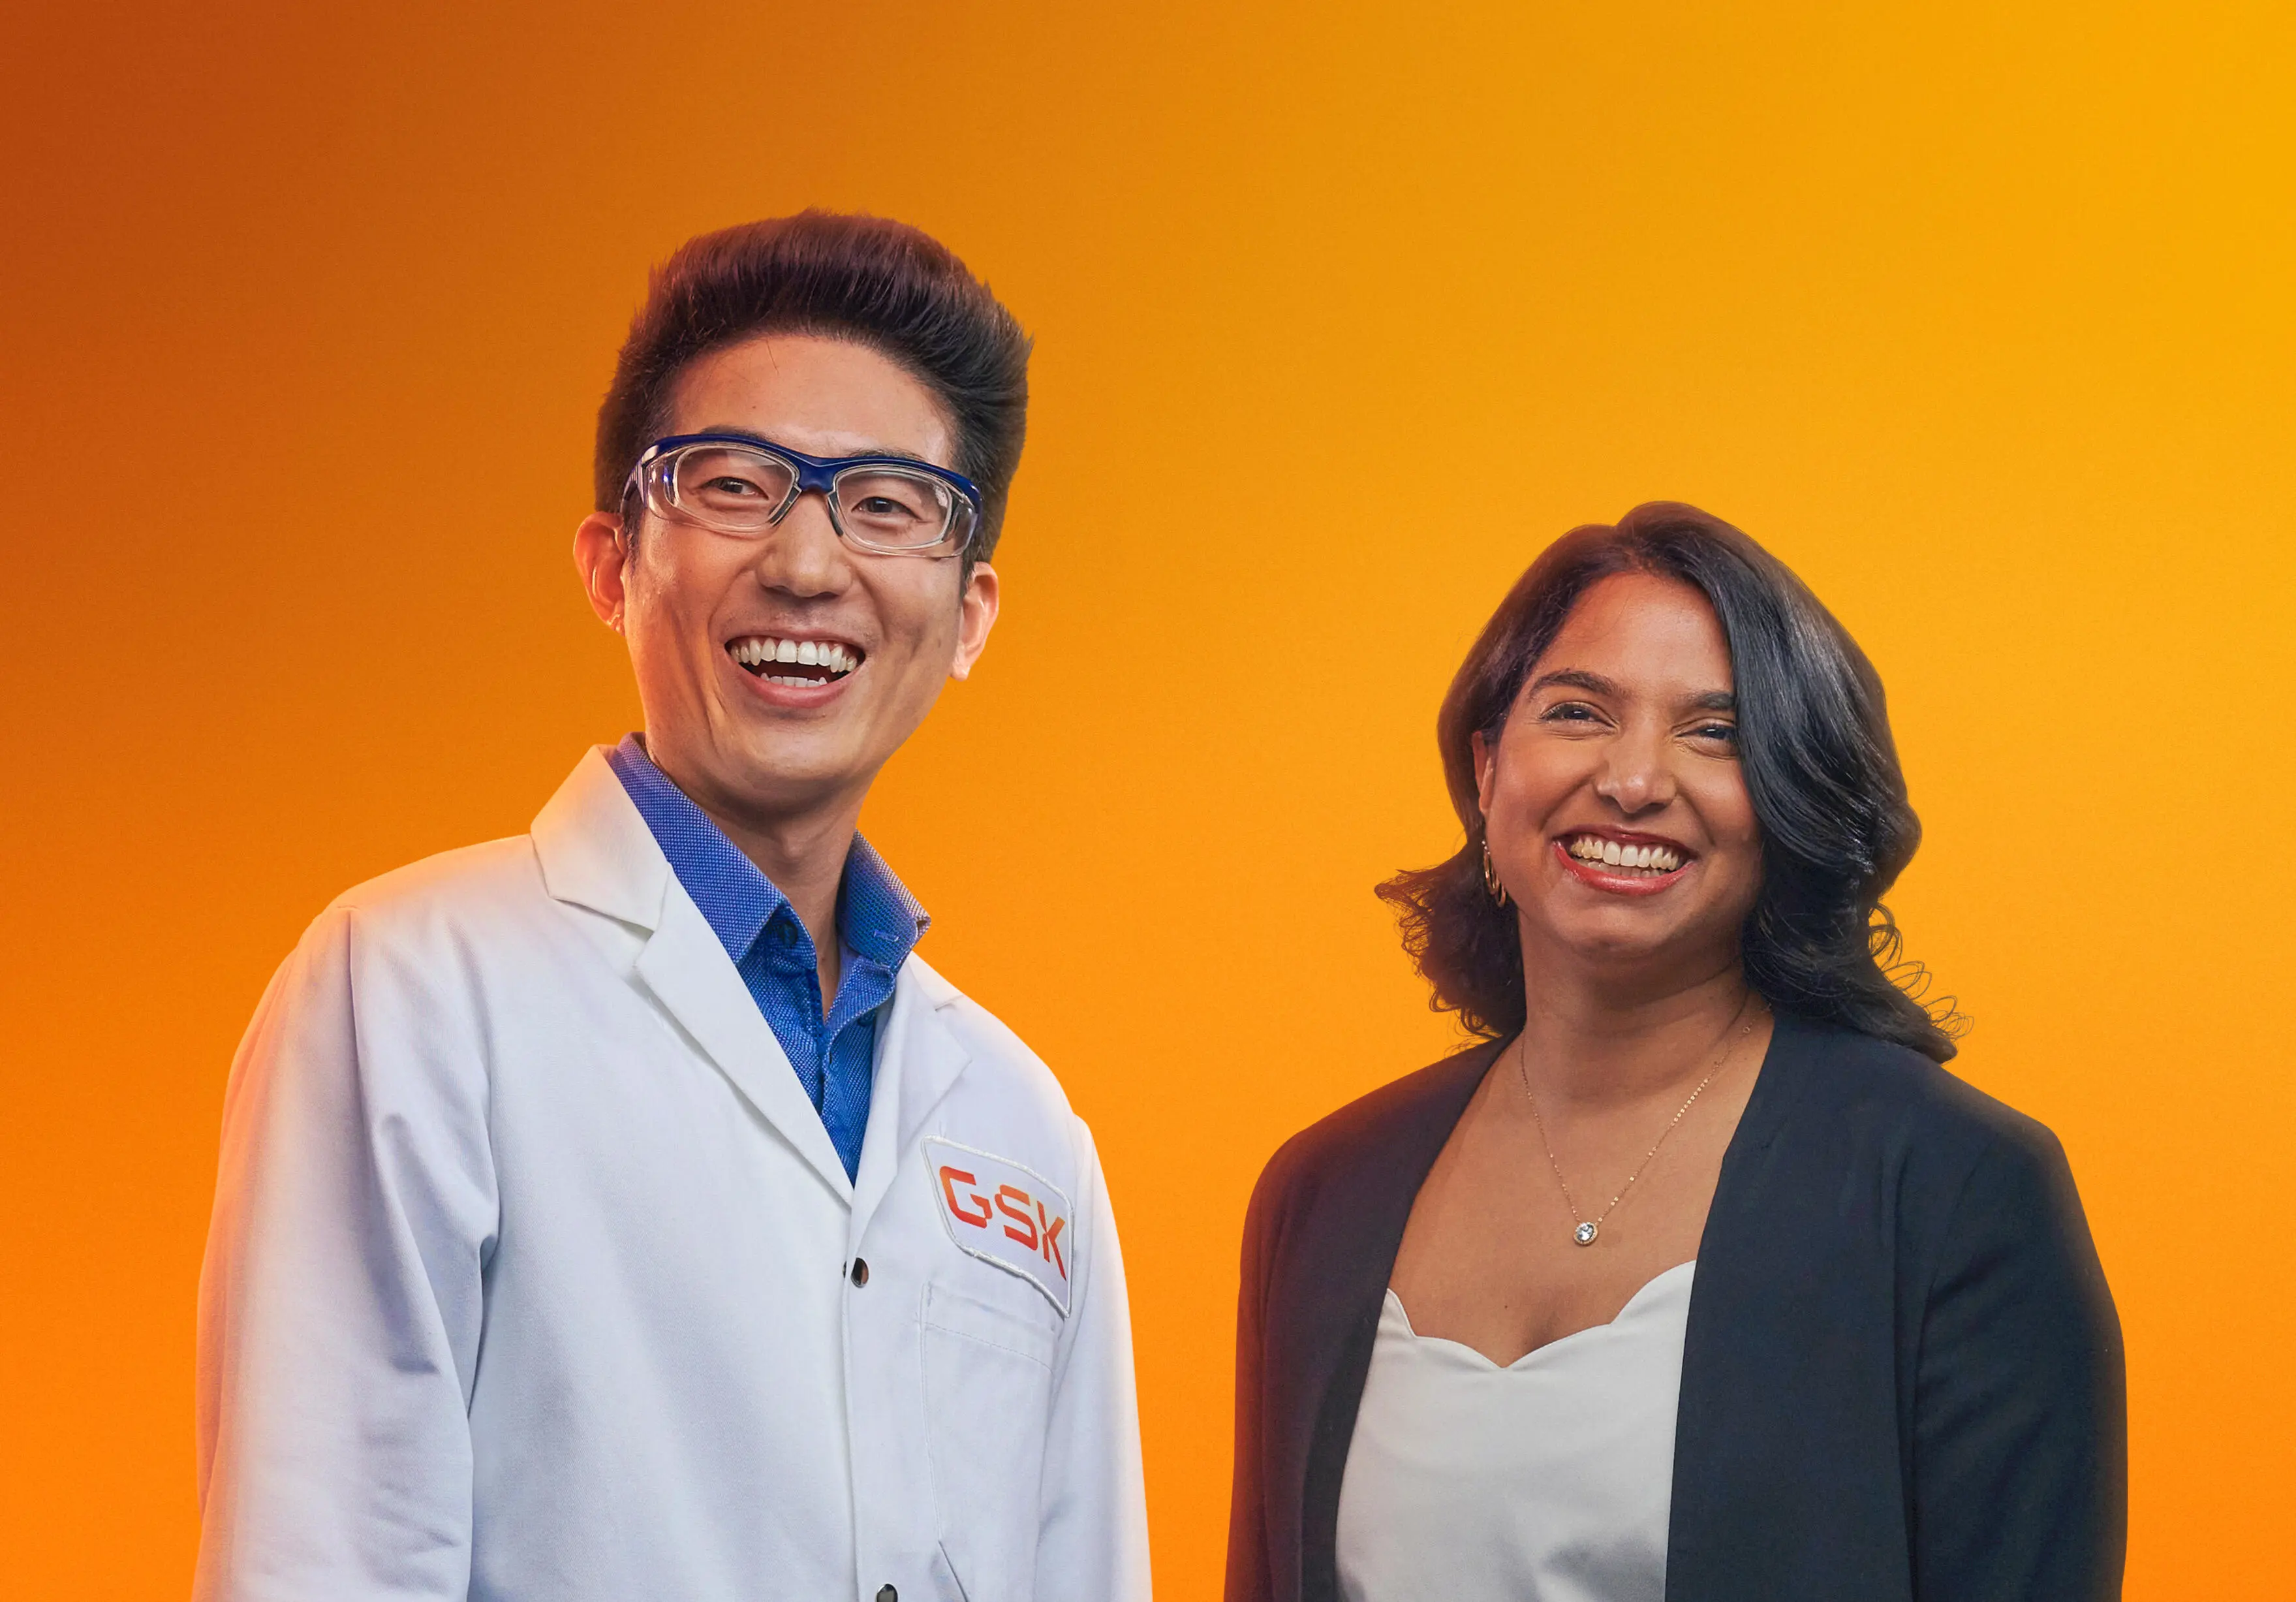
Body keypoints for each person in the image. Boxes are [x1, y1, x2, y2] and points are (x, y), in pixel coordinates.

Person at [195, 212, 1149, 1602]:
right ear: (610, 563)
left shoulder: (1023, 1124)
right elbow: (320, 1561)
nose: (809, 564)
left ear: (969, 617)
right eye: (735, 484)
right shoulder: (408, 993)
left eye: (885, 504)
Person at [1225, 503, 2124, 1602]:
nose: (1634, 779)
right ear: (1485, 767)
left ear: (1788, 801)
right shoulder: (1322, 1192)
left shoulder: (1952, 1191)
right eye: (1577, 711)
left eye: (1714, 732)